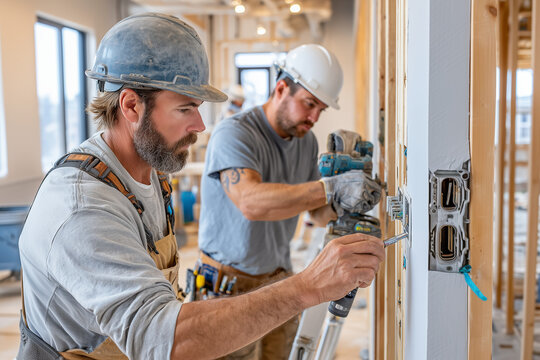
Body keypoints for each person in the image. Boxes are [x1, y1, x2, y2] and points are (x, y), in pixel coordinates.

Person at [17, 13, 385, 360]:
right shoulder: (83, 208)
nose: (200, 125)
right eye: (185, 108)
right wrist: (308, 286)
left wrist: (345, 200)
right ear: (131, 105)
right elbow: (165, 341)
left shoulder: (148, 174)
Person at [197, 44, 383, 359]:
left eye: (321, 109)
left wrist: (351, 203)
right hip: (228, 287)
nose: (313, 117)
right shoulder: (235, 133)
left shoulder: (305, 141)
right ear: (281, 88)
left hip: (279, 279)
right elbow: (251, 202)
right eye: (309, 104)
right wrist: (332, 186)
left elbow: (319, 211)